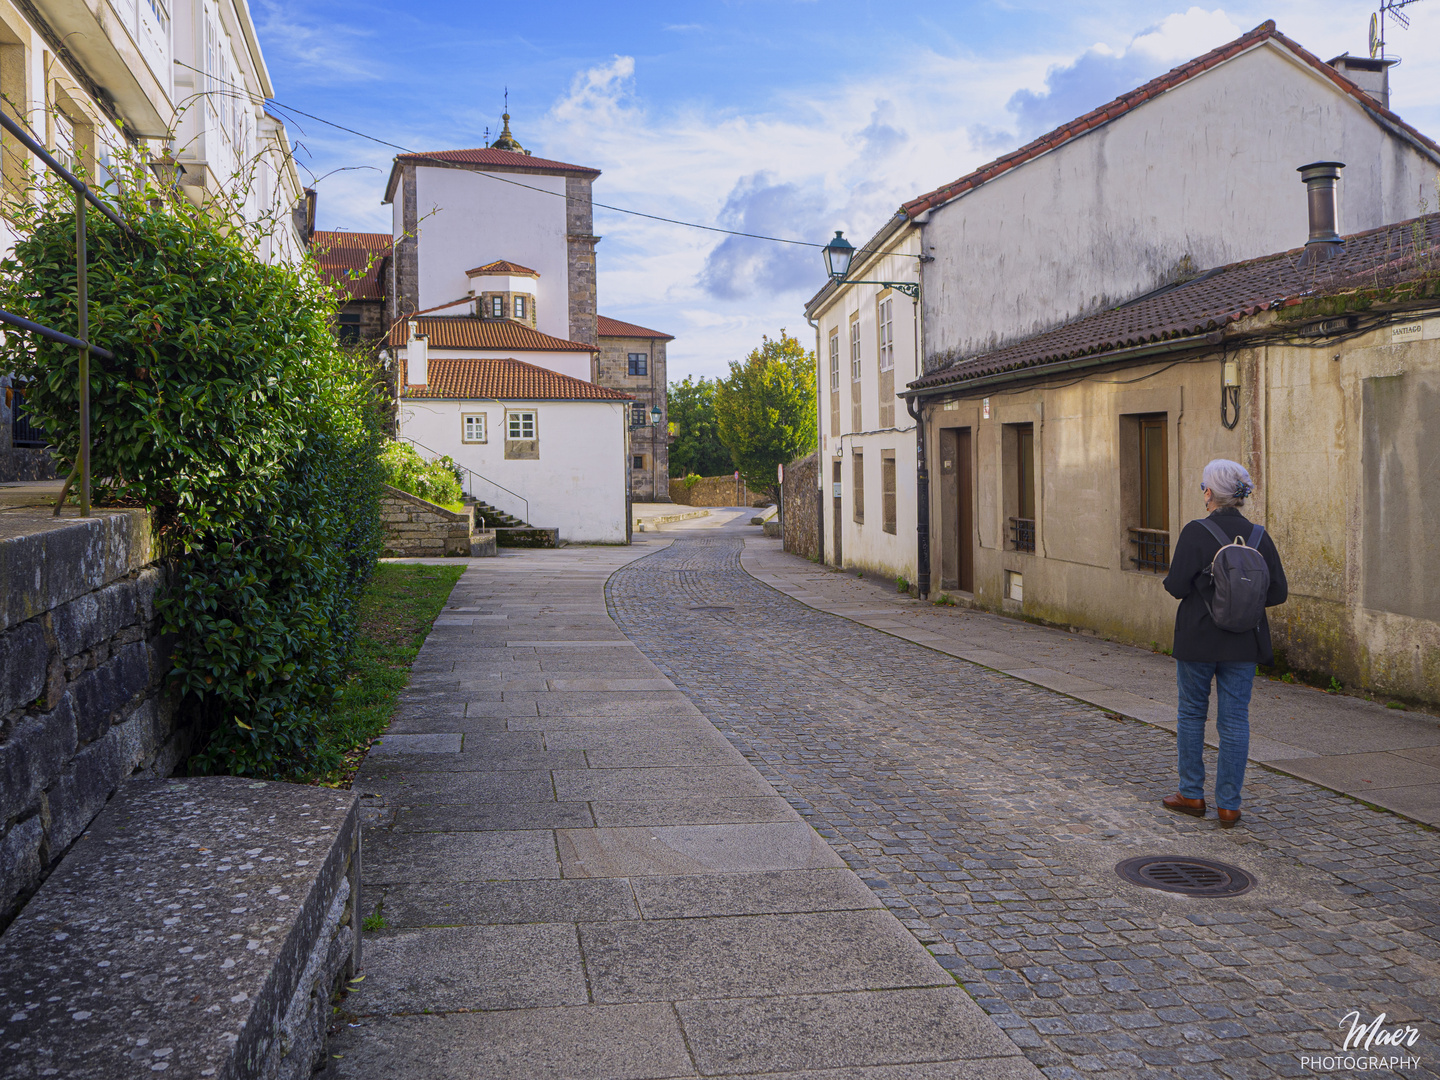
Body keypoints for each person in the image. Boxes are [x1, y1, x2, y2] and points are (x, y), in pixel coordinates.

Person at [1161, 459, 1287, 826]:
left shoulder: (1195, 532)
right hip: (1244, 642)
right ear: (1241, 496)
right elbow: (1277, 592)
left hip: (1198, 639)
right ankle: (1229, 804)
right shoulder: (1260, 536)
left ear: (1209, 494)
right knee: (1235, 723)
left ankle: (1191, 794)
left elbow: (1176, 586)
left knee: (1191, 715)